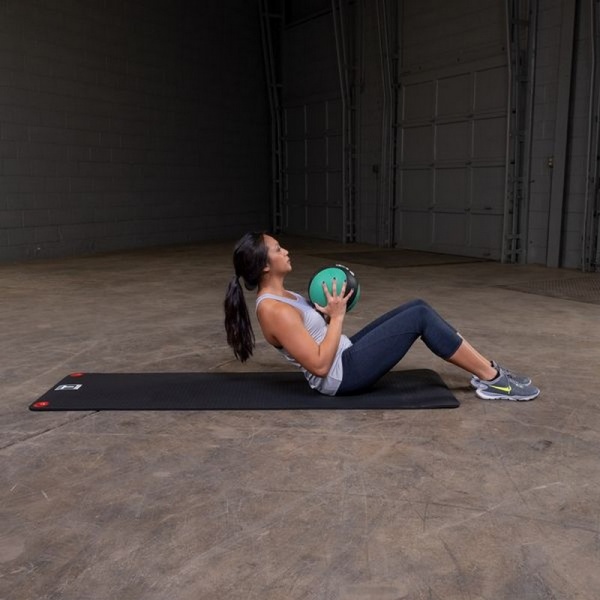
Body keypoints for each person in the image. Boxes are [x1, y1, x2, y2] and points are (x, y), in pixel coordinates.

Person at [223, 232, 540, 401]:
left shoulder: (284, 296)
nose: (286, 251)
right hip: (340, 377)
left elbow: (312, 335)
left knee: (417, 307)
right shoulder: (273, 309)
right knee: (419, 316)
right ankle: (495, 381)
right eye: (278, 249)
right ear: (265, 266)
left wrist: (328, 313)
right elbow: (318, 365)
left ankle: (489, 371)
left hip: (343, 355)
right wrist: (337, 317)